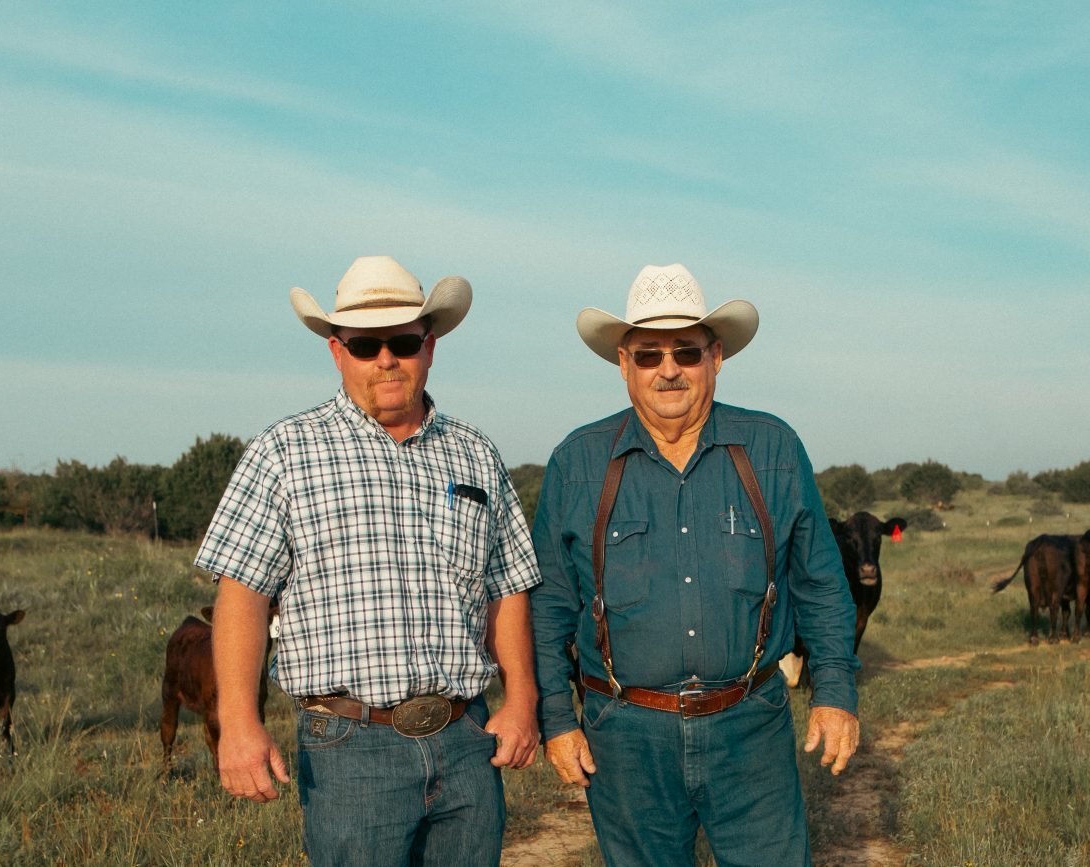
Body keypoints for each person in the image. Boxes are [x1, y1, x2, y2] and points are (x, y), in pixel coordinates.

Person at [195, 255, 541, 866]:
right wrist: (239, 726)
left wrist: (521, 701)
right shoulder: (284, 453)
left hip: (464, 739)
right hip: (349, 748)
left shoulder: (476, 454)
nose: (386, 358)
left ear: (429, 347)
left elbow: (507, 588)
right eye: (365, 345)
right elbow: (242, 597)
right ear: (337, 352)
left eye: (403, 341)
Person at [530, 263, 860, 866]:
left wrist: (835, 692)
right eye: (649, 355)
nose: (669, 369)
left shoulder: (772, 449)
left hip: (750, 726)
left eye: (686, 351)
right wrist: (556, 719)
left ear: (716, 356)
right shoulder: (578, 463)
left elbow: (820, 583)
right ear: (623, 364)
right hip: (625, 734)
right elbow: (550, 605)